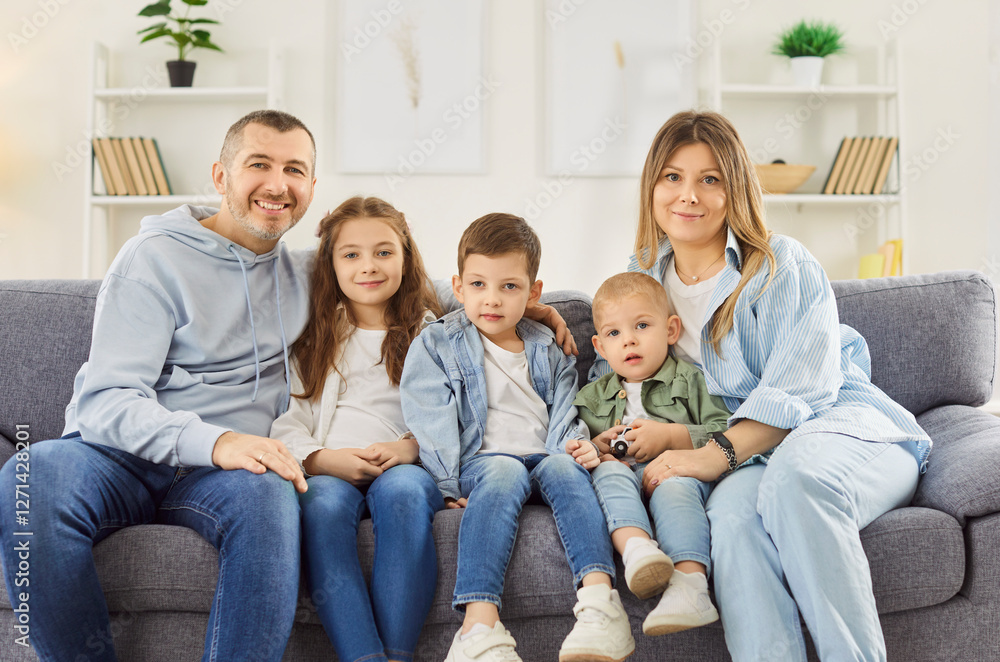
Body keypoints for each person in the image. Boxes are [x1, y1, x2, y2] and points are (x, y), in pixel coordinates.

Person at [594, 109, 932, 661]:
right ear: (652, 185)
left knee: (795, 482)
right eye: (673, 176)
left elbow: (800, 391)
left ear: (736, 190)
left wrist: (712, 454)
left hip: (841, 432)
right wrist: (539, 319)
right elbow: (616, 358)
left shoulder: (780, 264)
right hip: (755, 460)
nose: (688, 195)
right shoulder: (644, 273)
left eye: (710, 179)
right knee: (729, 523)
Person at [0, 109, 317, 661]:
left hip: (223, 478)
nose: (277, 184)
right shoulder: (154, 258)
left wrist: (519, 308)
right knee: (30, 477)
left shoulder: (318, 275)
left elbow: (430, 299)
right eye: (258, 164)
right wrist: (216, 440)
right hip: (118, 457)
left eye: (295, 169)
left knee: (272, 490)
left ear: (312, 187)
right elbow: (107, 401)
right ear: (220, 176)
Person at [400, 213, 634, 662]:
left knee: (568, 469)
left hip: (544, 454)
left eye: (509, 286)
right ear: (459, 285)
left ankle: (601, 606)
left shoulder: (548, 346)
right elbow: (430, 418)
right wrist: (447, 485)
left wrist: (575, 446)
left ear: (533, 293)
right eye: (478, 285)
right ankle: (478, 626)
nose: (492, 299)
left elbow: (566, 411)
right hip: (484, 462)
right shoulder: (437, 343)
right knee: (506, 469)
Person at [269, 196, 444, 662]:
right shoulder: (313, 337)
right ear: (330, 264)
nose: (369, 265)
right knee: (321, 509)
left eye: (384, 252)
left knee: (403, 495)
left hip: (405, 465)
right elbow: (289, 422)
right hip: (329, 464)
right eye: (351, 254)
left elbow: (454, 416)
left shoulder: (434, 336)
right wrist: (323, 459)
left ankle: (396, 653)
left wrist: (410, 449)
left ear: (406, 258)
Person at [576, 272, 730, 636]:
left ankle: (690, 585)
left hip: (677, 473)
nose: (628, 339)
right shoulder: (589, 397)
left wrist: (671, 436)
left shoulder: (690, 380)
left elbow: (724, 430)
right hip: (621, 475)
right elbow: (575, 444)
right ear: (599, 347)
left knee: (675, 486)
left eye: (642, 325)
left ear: (671, 330)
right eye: (614, 334)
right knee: (608, 475)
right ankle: (638, 552)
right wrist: (596, 448)